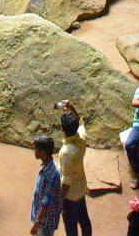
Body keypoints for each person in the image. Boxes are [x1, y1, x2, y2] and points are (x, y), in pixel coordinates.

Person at [56, 100, 92, 236]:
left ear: (61, 128)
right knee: (84, 220)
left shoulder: (66, 152)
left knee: (71, 227)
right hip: (81, 188)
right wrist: (72, 108)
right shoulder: (82, 139)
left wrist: (60, 201)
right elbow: (81, 123)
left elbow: (66, 181)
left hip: (70, 196)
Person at [30, 133, 62, 236]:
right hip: (42, 220)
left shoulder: (51, 174)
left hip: (45, 223)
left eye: (36, 149)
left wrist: (36, 223)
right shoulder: (47, 167)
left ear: (43, 153)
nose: (34, 151)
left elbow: (46, 204)